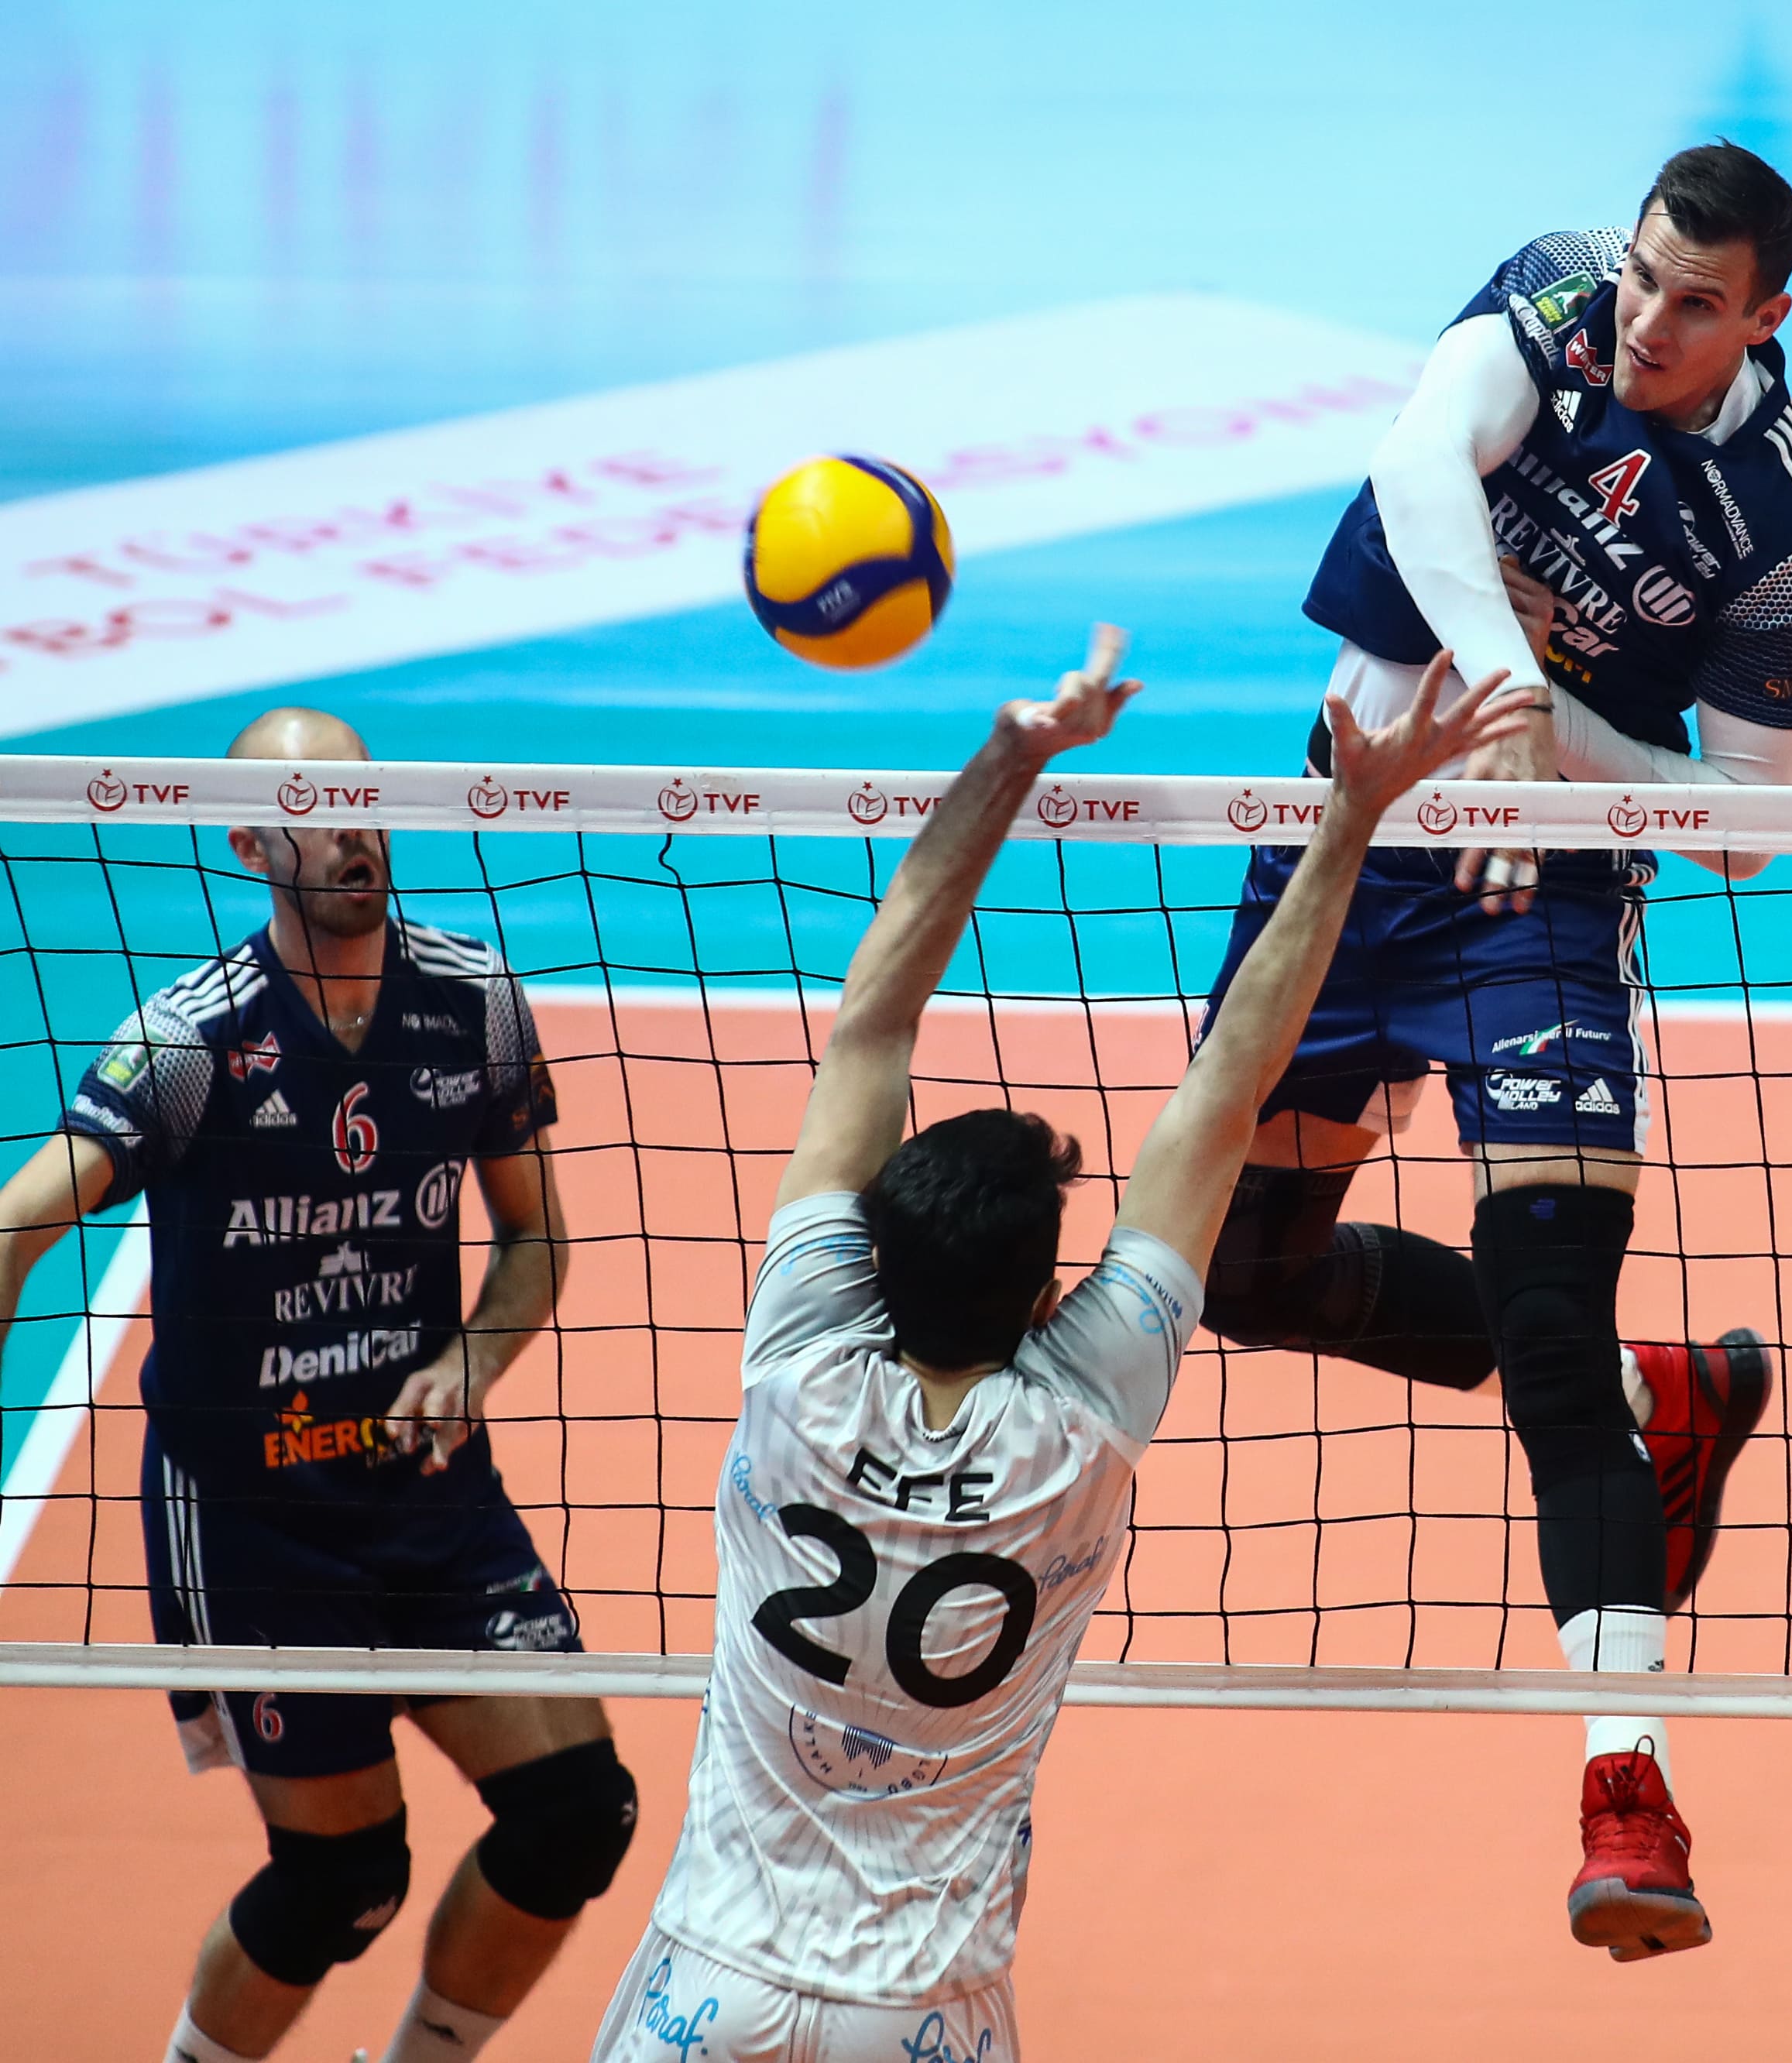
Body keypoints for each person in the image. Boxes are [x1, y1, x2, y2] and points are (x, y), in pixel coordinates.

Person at [589, 631, 1525, 2061]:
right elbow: (1228, 1088)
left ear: (867, 1255)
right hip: (921, 2010)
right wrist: (1352, 818)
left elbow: (872, 1023)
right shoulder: (1080, 1418)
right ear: (1046, 1299)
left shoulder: (798, 1361)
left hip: (705, 1986)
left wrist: (1015, 753)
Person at [1192, 137, 1792, 1961]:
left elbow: (1741, 828)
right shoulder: (1549, 294)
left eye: (1694, 303)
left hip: (1536, 898)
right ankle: (1658, 1392)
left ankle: (1628, 1794)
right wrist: (1494, 687)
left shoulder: (1783, 543)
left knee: (1541, 1325)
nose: (1644, 322)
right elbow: (1419, 456)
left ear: (1765, 317)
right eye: (1642, 276)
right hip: (1342, 848)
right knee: (1242, 1273)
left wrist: (1541, 730)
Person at [0, 708, 633, 2063]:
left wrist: (472, 1358)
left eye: (361, 797)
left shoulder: (473, 999)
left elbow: (536, 1237)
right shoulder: (193, 1041)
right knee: (344, 1878)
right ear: (249, 843)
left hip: (428, 1495)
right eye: (310, 807)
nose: (352, 830)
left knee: (580, 1812)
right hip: (255, 1524)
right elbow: (15, 1225)